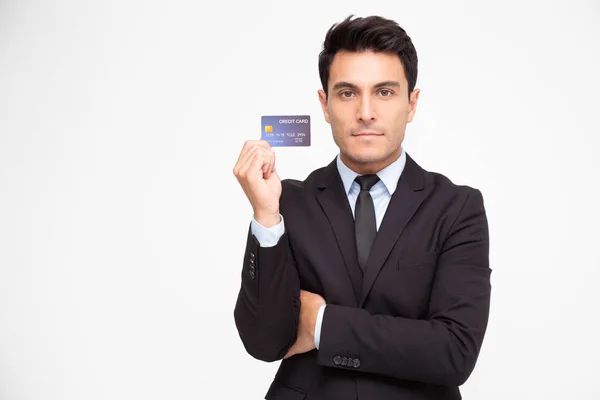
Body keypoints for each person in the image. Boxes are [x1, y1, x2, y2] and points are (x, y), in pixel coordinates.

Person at [232, 14, 491, 400]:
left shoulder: (456, 207)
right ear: (324, 103)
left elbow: (453, 352)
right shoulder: (288, 201)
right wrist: (266, 218)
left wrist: (320, 323)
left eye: (384, 92)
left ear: (412, 102)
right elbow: (263, 342)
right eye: (348, 92)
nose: (366, 112)